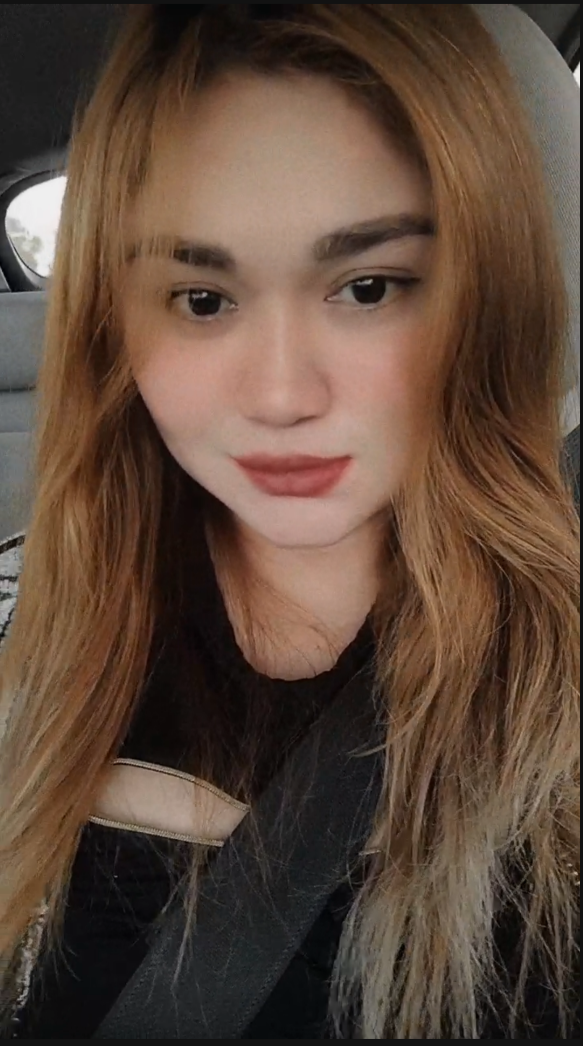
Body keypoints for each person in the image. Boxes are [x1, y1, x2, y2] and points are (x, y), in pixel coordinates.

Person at [0, 4, 580, 1039]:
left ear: (492, 297)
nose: (278, 396)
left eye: (367, 286)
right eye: (202, 299)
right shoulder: (43, 629)